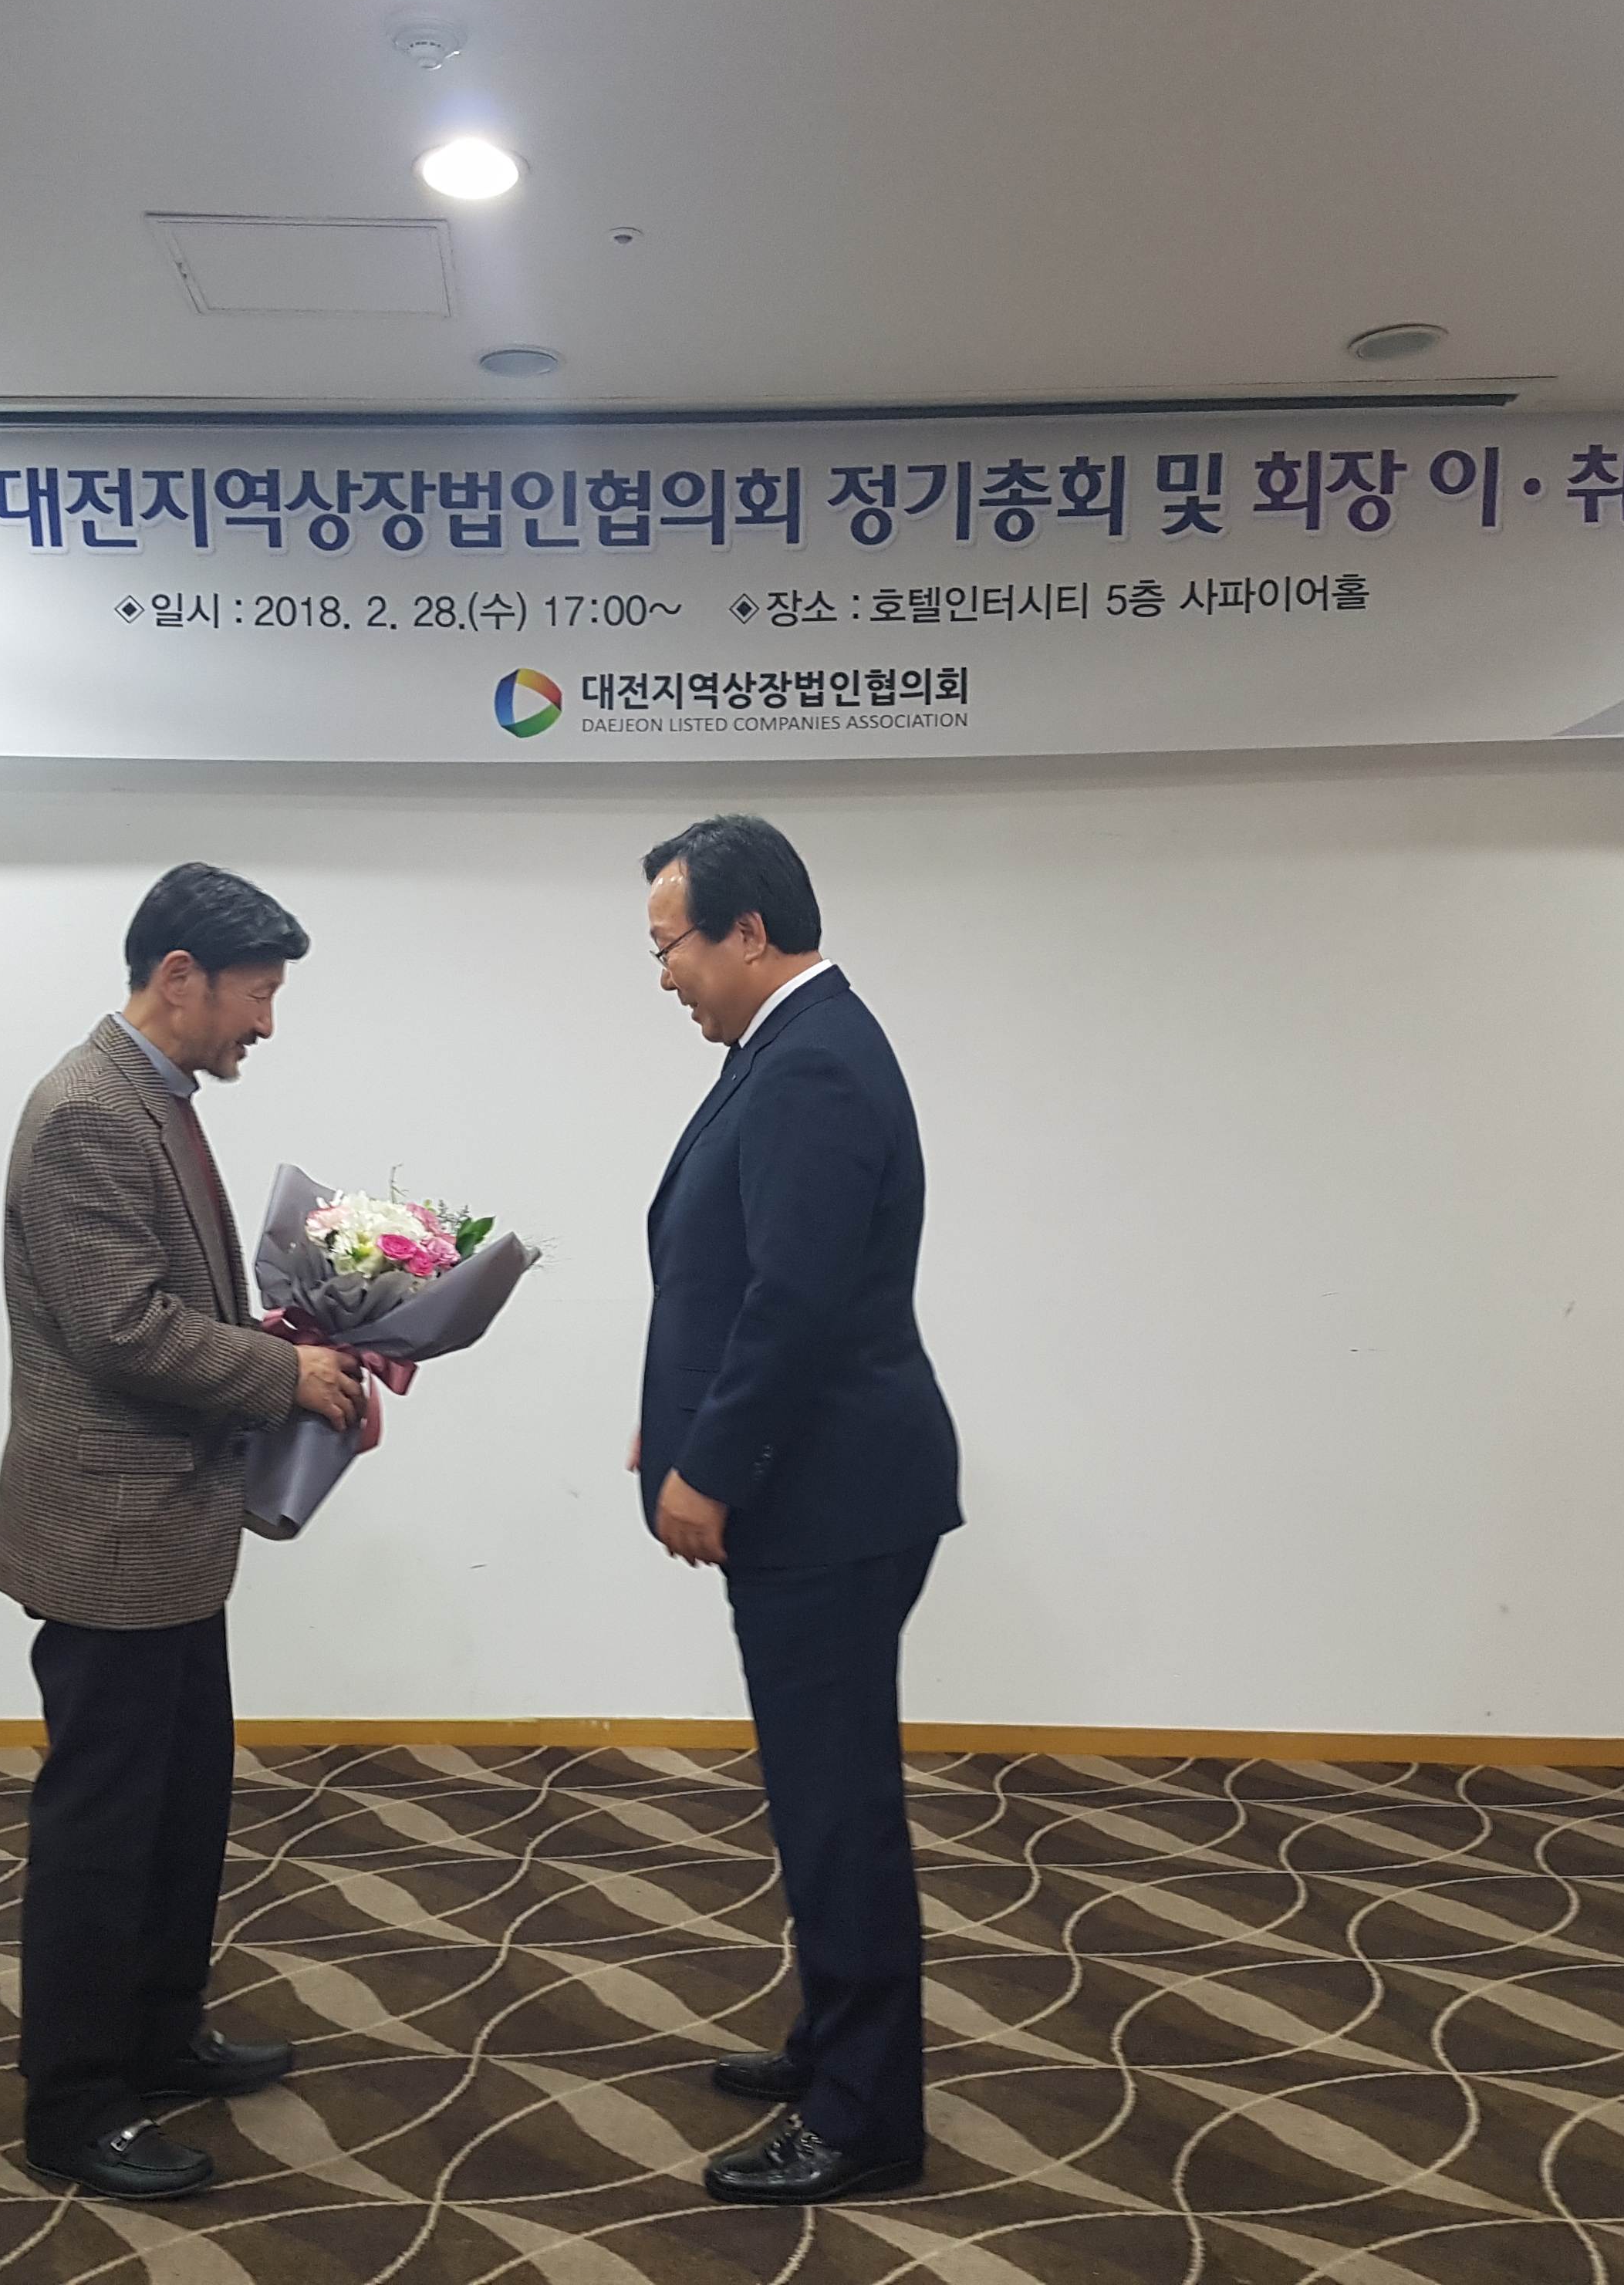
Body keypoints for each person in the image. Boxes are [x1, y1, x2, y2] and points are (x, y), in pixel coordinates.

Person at [0, 863, 363, 2201]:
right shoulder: (88, 1111)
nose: (266, 1021)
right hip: (112, 1536)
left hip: (172, 1530)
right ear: (181, 974)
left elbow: (173, 1303)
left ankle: (156, 2031)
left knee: (181, 1804)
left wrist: (300, 1341)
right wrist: (285, 1376)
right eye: (258, 993)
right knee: (103, 1827)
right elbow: (122, 1328)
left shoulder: (155, 1099)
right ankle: (76, 2101)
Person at [630, 815, 961, 2206]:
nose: (664, 975)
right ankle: (834, 2042)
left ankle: (864, 2117)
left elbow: (794, 1302)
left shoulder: (814, 1060)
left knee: (837, 1808)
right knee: (819, 1791)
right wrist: (671, 1421)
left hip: (825, 1497)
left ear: (749, 933)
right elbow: (727, 1273)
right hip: (819, 1486)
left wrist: (710, 1466)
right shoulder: (786, 1046)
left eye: (671, 947)